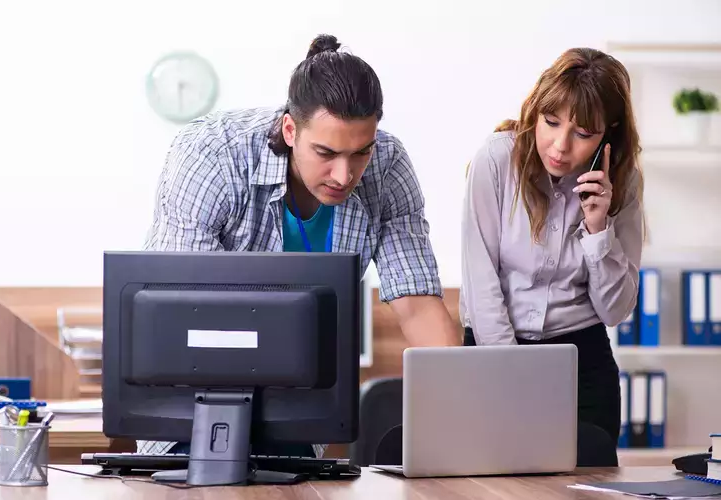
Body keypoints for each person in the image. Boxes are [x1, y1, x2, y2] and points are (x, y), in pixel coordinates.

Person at [139, 34, 460, 457]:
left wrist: (462, 412)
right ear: (290, 130)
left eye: (360, 153)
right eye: (326, 153)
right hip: (192, 403)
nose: (344, 175)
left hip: (297, 412)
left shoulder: (387, 167)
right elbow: (181, 309)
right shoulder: (213, 155)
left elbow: (418, 307)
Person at [459, 47, 645, 448]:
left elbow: (614, 311)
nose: (560, 146)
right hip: (495, 355)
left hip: (582, 367)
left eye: (583, 134)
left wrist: (598, 229)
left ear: (608, 134)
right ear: (535, 111)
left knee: (586, 478)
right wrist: (513, 377)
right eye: (551, 122)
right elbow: (480, 285)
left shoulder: (623, 183)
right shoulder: (496, 160)